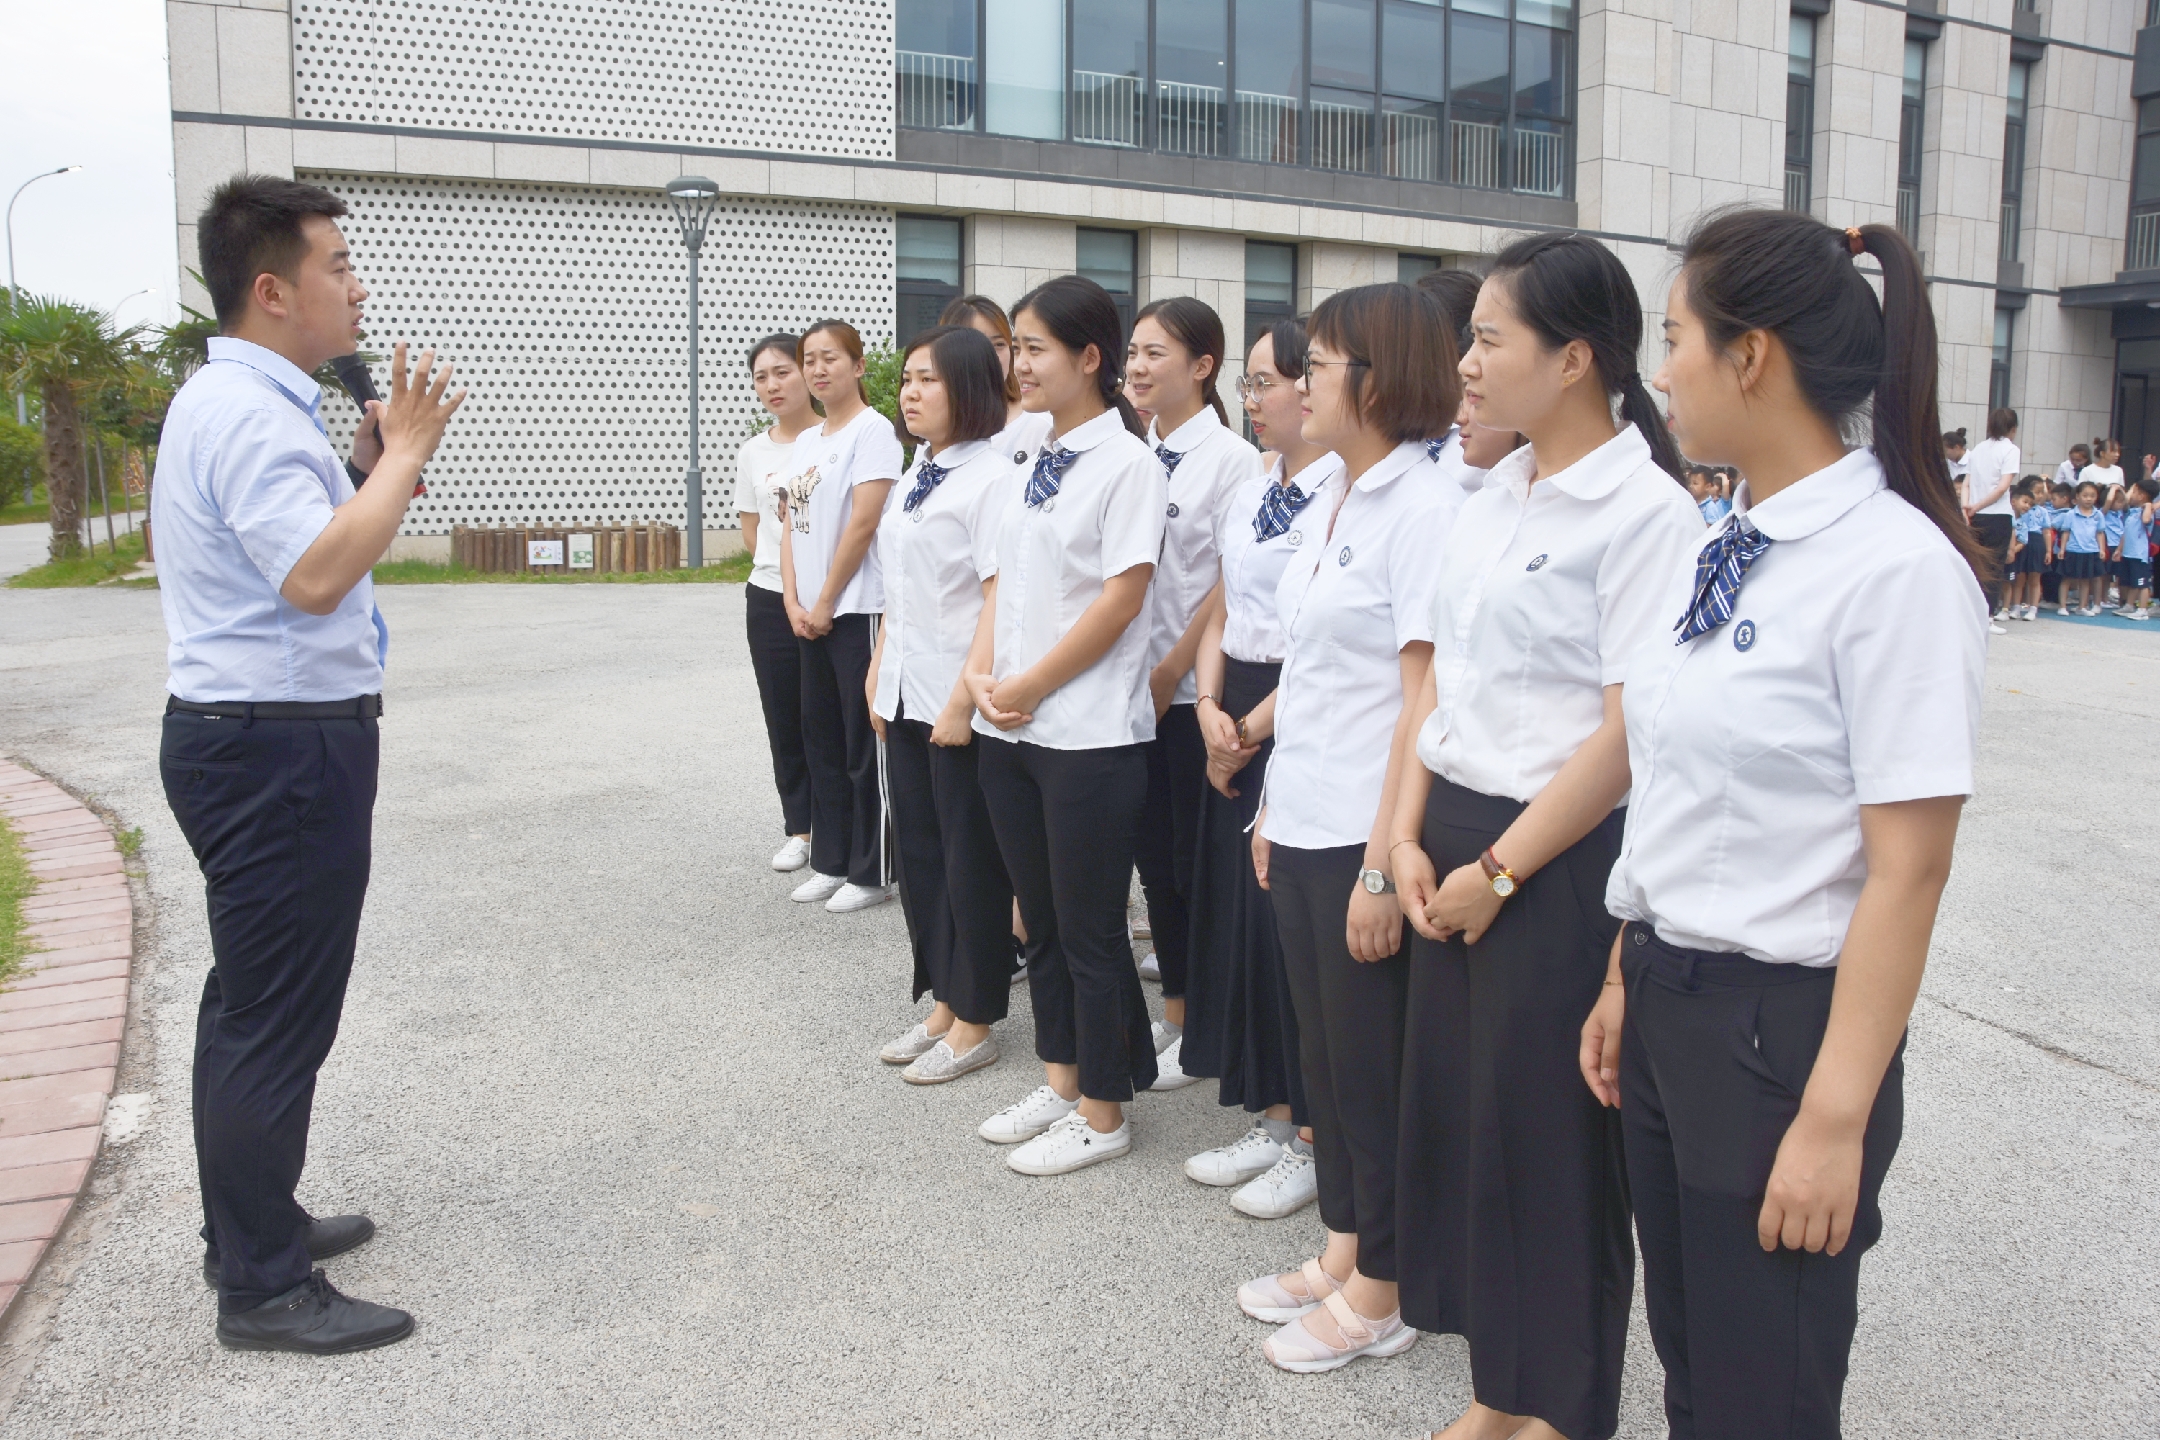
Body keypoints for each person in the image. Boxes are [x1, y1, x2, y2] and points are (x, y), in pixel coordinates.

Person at [1583, 209, 1989, 1440]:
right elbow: (1676, 785)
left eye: (1676, 340)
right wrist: (1623, 968)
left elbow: (1908, 872)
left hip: (1780, 1040)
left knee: (1767, 1394)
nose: (1661, 375)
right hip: (1670, 1001)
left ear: (1750, 355)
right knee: (1699, 1371)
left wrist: (1833, 1118)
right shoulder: (1730, 542)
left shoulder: (1894, 571)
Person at [1388, 234, 1701, 1440]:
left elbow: (1625, 738)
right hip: (1454, 841)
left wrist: (1500, 870)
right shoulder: (1493, 490)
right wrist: (1408, 841)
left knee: (1556, 1155)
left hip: (1553, 859)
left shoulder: (1644, 513)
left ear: (1574, 359)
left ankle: (1561, 1411)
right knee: (1476, 1140)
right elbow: (1441, 689)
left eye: (1487, 338)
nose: (1464, 363)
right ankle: (1501, 1392)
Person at [155, 174, 464, 1352]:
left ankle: (248, 1228)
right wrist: (406, 452)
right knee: (273, 1015)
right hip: (276, 748)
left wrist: (369, 458)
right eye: (338, 265)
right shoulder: (242, 411)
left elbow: (303, 541)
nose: (358, 283)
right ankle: (265, 1288)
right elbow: (316, 575)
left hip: (255, 735)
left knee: (249, 1001)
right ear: (274, 290)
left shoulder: (245, 401)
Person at [1235, 282, 1467, 1373]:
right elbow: (1317, 678)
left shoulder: (1425, 507)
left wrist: (1383, 860)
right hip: (1309, 809)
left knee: (1370, 1067)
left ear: (1374, 378)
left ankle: (1386, 1284)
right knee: (1324, 1060)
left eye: (1319, 362)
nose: (1301, 379)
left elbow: (1419, 699)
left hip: (1364, 834)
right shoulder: (1337, 491)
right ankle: (1344, 1244)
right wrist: (1276, 806)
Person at [964, 274, 1166, 1176]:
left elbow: (1122, 599)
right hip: (1013, 726)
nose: (1018, 362)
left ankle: (1105, 1112)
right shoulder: (1023, 453)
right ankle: (1061, 1080)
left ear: (1091, 358)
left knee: (1087, 928)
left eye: (1035, 346)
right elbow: (1002, 580)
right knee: (1039, 920)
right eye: (1014, 345)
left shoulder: (1127, 465)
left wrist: (1034, 681)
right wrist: (984, 680)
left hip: (1087, 732)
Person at [1179, 315, 1332, 1219]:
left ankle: (1312, 1130)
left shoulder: (1341, 492)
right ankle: (1272, 1114)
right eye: (1253, 383)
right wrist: (1207, 708)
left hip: (1291, 704)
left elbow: (1324, 646)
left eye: (1270, 380)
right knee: (1242, 920)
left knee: (1290, 934)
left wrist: (1248, 726)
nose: (1258, 398)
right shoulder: (1257, 486)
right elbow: (1224, 600)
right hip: (1229, 694)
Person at [868, 326, 1019, 1083]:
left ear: (969, 387)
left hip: (955, 702)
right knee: (920, 858)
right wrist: (877, 671)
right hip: (902, 691)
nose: (912, 393)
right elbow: (897, 587)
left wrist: (962, 699)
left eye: (928, 380)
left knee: (970, 864)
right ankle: (942, 999)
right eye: (908, 381)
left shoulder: (993, 477)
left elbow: (998, 600)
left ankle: (978, 1014)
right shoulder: (915, 471)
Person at [1126, 296, 1263, 1089]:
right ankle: (1175, 1007)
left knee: (1192, 863)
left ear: (1203, 367)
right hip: (1133, 692)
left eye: (1156, 354)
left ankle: (1199, 1015)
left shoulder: (1232, 462)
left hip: (1187, 694)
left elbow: (1222, 584)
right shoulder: (1135, 450)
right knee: (1153, 859)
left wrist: (1174, 670)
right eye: (1133, 354)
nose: (1138, 368)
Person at [778, 320, 903, 912]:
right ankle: (830, 859)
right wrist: (792, 599)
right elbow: (790, 525)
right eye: (810, 360)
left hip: (855, 610)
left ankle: (873, 868)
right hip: (809, 612)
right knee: (820, 737)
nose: (818, 369)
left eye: (831, 358)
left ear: (858, 365)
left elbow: (864, 522)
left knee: (862, 744)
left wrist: (825, 600)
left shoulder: (874, 432)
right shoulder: (807, 440)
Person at [735, 334, 818, 871]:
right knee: (784, 715)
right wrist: (782, 578)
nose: (772, 385)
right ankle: (802, 830)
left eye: (782, 371)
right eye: (761, 376)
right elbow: (752, 531)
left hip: (830, 598)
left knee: (832, 718)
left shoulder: (837, 438)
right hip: (768, 597)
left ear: (808, 373)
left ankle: (852, 830)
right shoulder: (753, 451)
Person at [940, 293, 1053, 467]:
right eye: (976, 346)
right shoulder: (936, 426)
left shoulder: (1038, 427)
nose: (990, 357)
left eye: (999, 344)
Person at [1963, 407, 2019, 629]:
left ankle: (1973, 613)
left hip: (1976, 516)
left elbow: (1966, 483)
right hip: (1997, 515)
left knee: (1976, 565)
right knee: (1994, 566)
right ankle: (1987, 616)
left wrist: (1967, 509)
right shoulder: (2010, 450)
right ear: (2013, 428)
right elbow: (2003, 487)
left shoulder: (1977, 449)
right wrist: (1977, 505)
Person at [2055, 479, 2107, 615]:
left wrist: (2101, 549)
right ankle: (2062, 606)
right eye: (2085, 495)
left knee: (2086, 579)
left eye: (2092, 496)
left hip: (2091, 550)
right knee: (2067, 578)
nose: (2089, 499)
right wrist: (2062, 549)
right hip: (2073, 549)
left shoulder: (2098, 514)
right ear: (2077, 496)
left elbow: (2100, 533)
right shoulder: (2070, 514)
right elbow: (2066, 532)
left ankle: (2082, 607)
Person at [2008, 478, 2048, 619]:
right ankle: (2016, 607)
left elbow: (2046, 531)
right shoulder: (2016, 511)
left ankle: (2033, 608)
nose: (2040, 495)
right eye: (2037, 492)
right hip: (2019, 541)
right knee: (2019, 577)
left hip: (2037, 542)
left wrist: (2048, 550)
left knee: (2035, 577)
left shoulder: (2042, 511)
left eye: (2042, 492)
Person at [2118, 474, 2154, 618]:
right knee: (2132, 581)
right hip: (2128, 552)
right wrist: (2119, 549)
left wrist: (2149, 505)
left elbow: (2146, 520)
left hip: (2139, 554)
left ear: (2143, 496)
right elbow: (2125, 533)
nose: (2132, 495)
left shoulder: (2147, 511)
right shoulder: (2132, 512)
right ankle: (2129, 605)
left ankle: (2142, 610)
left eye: (2136, 492)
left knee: (2142, 583)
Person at [1942, 428, 1968, 508]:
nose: (1945, 454)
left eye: (1946, 450)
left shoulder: (1973, 460)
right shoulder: (1945, 463)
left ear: (1957, 447)